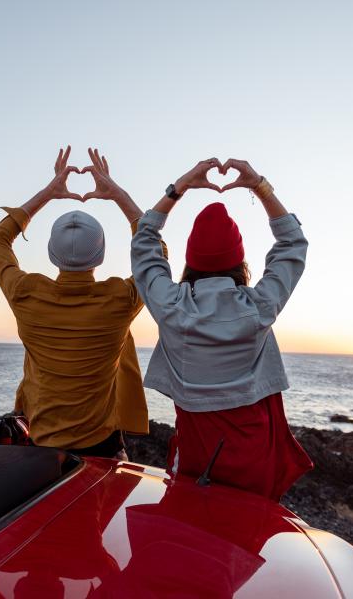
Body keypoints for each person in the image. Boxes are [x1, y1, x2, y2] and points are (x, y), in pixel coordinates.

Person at [130, 157, 313, 500]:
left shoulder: (170, 306)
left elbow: (144, 241)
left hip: (198, 453)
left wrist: (179, 187)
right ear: (239, 262)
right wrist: (260, 187)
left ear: (191, 261)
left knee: (192, 535)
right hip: (253, 452)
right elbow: (292, 245)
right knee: (246, 542)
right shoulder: (259, 307)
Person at [0, 146, 151, 459]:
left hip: (41, 448)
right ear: (101, 255)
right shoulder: (120, 299)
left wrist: (48, 193)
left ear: (51, 253)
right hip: (103, 448)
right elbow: (153, 253)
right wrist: (119, 195)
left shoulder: (25, 293)